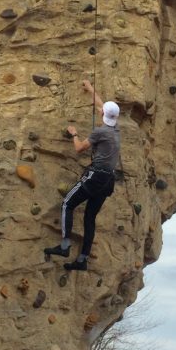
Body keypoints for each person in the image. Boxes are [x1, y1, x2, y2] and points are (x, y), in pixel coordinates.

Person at [45, 79, 120, 272]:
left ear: (103, 116)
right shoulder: (115, 130)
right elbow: (102, 106)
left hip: (95, 178)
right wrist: (90, 89)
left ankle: (64, 247)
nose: (100, 110)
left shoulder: (100, 132)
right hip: (108, 182)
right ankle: (82, 259)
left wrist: (74, 133)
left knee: (67, 204)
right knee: (89, 219)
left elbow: (79, 149)